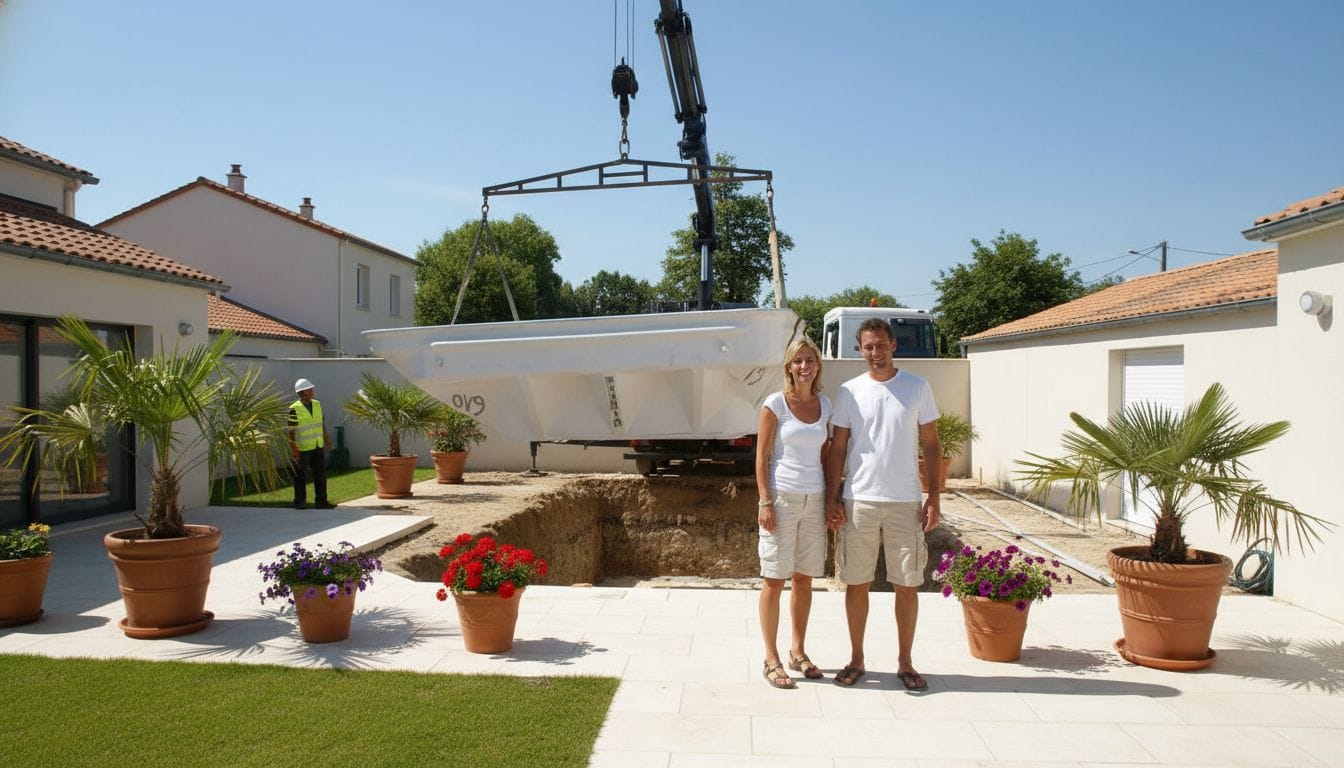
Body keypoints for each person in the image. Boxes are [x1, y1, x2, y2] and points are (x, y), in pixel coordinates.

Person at [826, 317, 940, 690]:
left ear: (894, 345)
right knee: (856, 583)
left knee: (906, 584)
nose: (875, 353)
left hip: (904, 500)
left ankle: (905, 663)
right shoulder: (849, 391)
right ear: (860, 350)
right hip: (859, 499)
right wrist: (833, 496)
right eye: (868, 347)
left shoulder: (917, 387)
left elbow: (931, 444)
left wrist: (934, 497)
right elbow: (839, 446)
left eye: (881, 345)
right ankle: (856, 659)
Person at [755, 336, 833, 689]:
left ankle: (797, 651)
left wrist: (833, 499)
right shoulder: (775, 404)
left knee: (804, 577)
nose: (805, 366)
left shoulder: (825, 405)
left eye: (810, 360)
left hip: (814, 499)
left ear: (817, 366)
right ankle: (770, 658)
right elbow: (762, 457)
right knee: (774, 578)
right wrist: (765, 501)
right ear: (789, 366)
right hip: (782, 499)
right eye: (798, 361)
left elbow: (826, 455)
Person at [289, 378, 335, 510]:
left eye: (311, 389)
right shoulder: (293, 409)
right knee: (300, 476)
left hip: (317, 445)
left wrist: (328, 440)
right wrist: (294, 449)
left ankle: (321, 502)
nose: (312, 391)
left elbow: (321, 424)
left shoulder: (317, 404)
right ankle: (299, 502)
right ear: (302, 392)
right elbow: (291, 432)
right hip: (302, 448)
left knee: (320, 475)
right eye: (309, 390)